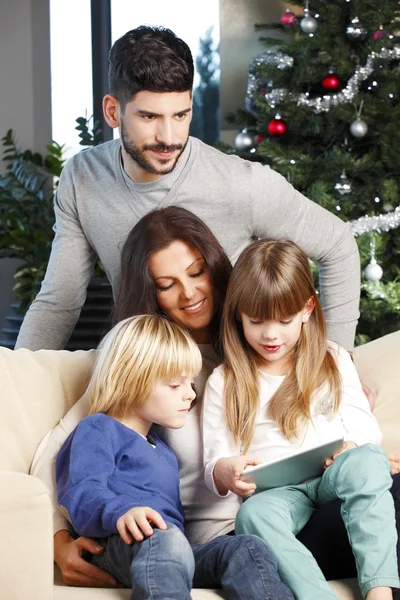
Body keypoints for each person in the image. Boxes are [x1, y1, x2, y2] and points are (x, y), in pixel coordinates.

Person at [30, 207, 400, 591]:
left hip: (305, 509)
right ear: (150, 292)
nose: (189, 293)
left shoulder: (272, 346)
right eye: (166, 283)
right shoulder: (147, 361)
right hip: (232, 535)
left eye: (196, 272)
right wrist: (58, 541)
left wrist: (359, 444)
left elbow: (331, 403)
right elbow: (62, 449)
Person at [15, 25, 360, 354]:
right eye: (150, 117)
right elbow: (59, 301)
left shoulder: (241, 184)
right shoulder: (83, 177)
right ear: (112, 112)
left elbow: (337, 245)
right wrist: (17, 378)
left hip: (235, 378)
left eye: (180, 115)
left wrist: (337, 361)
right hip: (140, 373)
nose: (168, 138)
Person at [202, 239, 400, 600]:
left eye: (284, 320)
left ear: (307, 309)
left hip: (331, 475)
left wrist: (353, 445)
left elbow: (363, 424)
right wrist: (226, 471)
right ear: (238, 315)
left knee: (370, 461)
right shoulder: (225, 380)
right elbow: (214, 458)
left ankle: (380, 589)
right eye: (257, 321)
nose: (271, 334)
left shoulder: (331, 359)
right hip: (278, 493)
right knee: (252, 518)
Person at [55, 314, 294, 600]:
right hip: (118, 543)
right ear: (132, 380)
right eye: (175, 385)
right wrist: (121, 511)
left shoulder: (163, 449)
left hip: (175, 548)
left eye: (190, 383)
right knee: (166, 540)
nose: (190, 395)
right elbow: (82, 492)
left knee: (246, 547)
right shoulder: (98, 428)